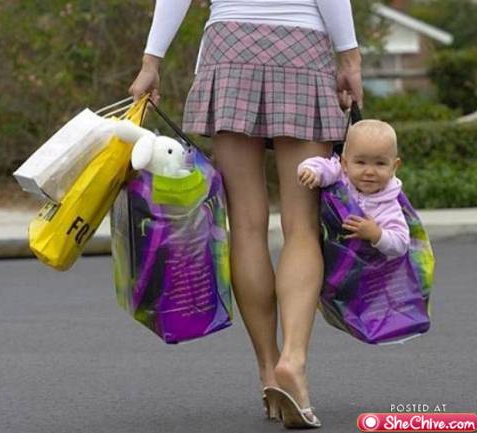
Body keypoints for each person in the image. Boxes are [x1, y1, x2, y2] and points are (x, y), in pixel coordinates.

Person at [129, 0, 363, 429]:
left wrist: (151, 61)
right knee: (300, 227)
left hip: (229, 46)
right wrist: (349, 59)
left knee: (247, 226)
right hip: (302, 47)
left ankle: (269, 371)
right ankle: (294, 360)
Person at [298, 120, 410, 257]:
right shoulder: (340, 175)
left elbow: (401, 244)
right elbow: (322, 166)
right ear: (345, 163)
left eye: (380, 163)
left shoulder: (388, 203)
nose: (369, 171)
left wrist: (376, 234)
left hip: (363, 266)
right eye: (361, 162)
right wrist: (311, 171)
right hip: (327, 255)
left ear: (393, 167)